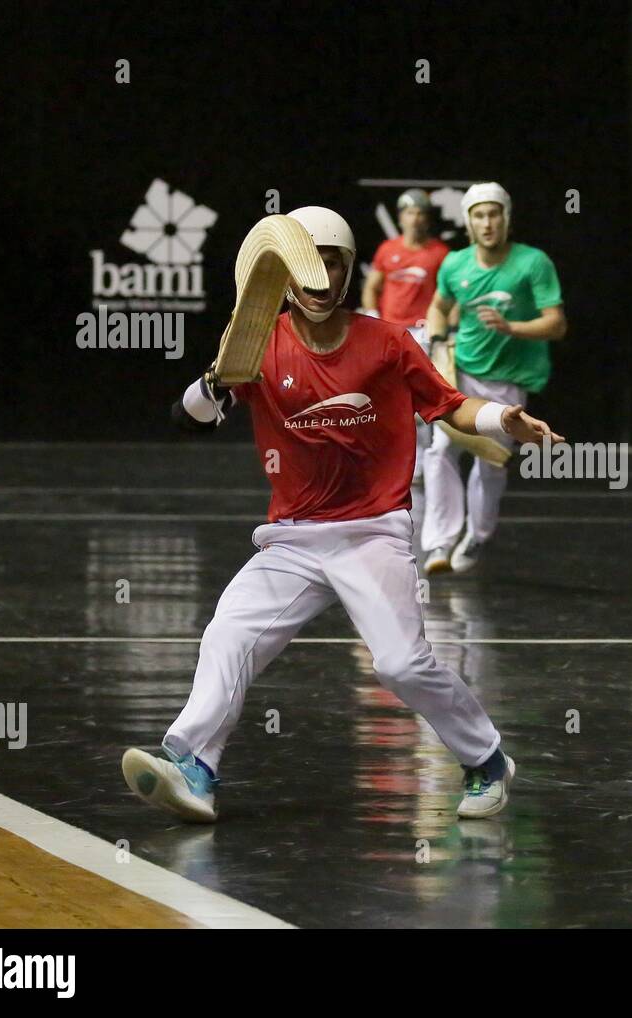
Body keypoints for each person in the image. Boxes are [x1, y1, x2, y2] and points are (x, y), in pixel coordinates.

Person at [121, 206, 564, 822]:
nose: (322, 279)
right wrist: (218, 377)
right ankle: (194, 768)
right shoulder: (258, 341)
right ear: (285, 275)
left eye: (333, 264)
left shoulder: (386, 342)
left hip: (373, 532)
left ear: (349, 270)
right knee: (230, 633)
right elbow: (187, 419)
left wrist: (500, 419)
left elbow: (449, 405)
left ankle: (487, 759)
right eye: (311, 266)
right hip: (294, 539)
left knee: (401, 665)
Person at [421, 183, 567, 573]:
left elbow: (556, 324)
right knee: (439, 451)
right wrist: (436, 340)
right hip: (461, 374)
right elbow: (439, 306)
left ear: (506, 218)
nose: (487, 223)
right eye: (479, 215)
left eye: (494, 214)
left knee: (491, 461)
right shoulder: (455, 264)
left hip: (507, 383)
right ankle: (439, 542)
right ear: (468, 222)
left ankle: (476, 537)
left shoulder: (533, 263)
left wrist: (511, 328)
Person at [360, 189, 451, 482]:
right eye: (410, 213)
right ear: (400, 217)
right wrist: (373, 317)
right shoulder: (387, 250)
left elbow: (450, 297)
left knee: (419, 400)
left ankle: (420, 462)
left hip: (424, 334)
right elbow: (372, 287)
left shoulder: (440, 254)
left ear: (427, 219)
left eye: (421, 213)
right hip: (389, 334)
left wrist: (446, 330)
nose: (415, 219)